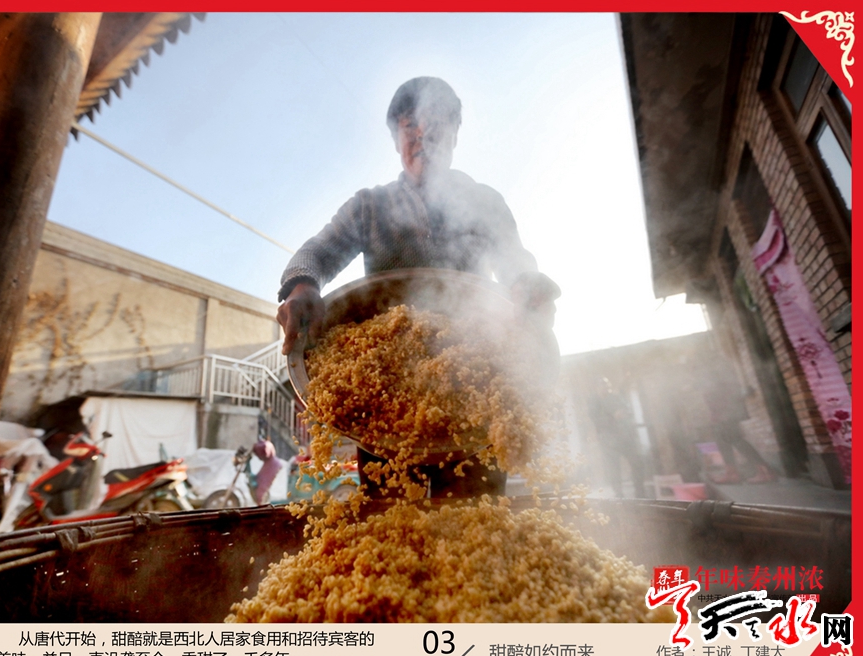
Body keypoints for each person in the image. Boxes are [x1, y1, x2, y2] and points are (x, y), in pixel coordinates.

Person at [275, 77, 560, 498]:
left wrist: (527, 286)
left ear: (456, 133)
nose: (423, 135)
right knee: (387, 521)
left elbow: (515, 263)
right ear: (397, 140)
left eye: (436, 122)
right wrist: (301, 286)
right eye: (410, 126)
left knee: (475, 519)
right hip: (382, 399)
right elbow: (316, 253)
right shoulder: (370, 206)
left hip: (474, 394)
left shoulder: (484, 202)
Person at [587, 377, 647, 499]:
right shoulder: (594, 403)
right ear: (597, 387)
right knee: (613, 469)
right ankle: (619, 495)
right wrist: (613, 417)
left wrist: (625, 414)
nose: (606, 388)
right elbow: (596, 420)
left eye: (607, 385)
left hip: (625, 437)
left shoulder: (616, 398)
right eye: (603, 385)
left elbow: (628, 409)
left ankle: (640, 493)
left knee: (636, 463)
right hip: (608, 441)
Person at [252, 439, 285, 504]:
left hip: (273, 465)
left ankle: (261, 502)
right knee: (259, 479)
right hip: (273, 463)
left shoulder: (265, 446)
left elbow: (266, 453)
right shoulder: (267, 445)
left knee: (262, 485)